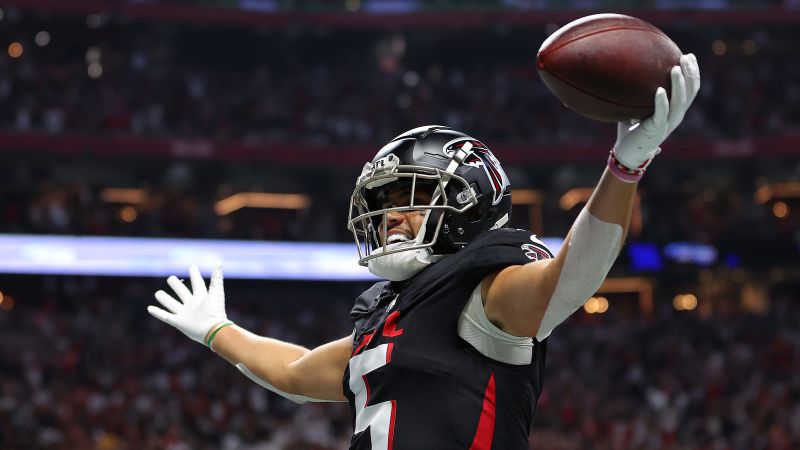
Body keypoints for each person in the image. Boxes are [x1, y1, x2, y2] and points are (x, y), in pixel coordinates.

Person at [147, 54, 700, 449]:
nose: (392, 217)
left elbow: (571, 278)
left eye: (410, 199)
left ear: (468, 201)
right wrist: (218, 331)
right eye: (384, 203)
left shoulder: (485, 289)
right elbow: (293, 373)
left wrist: (624, 169)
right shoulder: (387, 316)